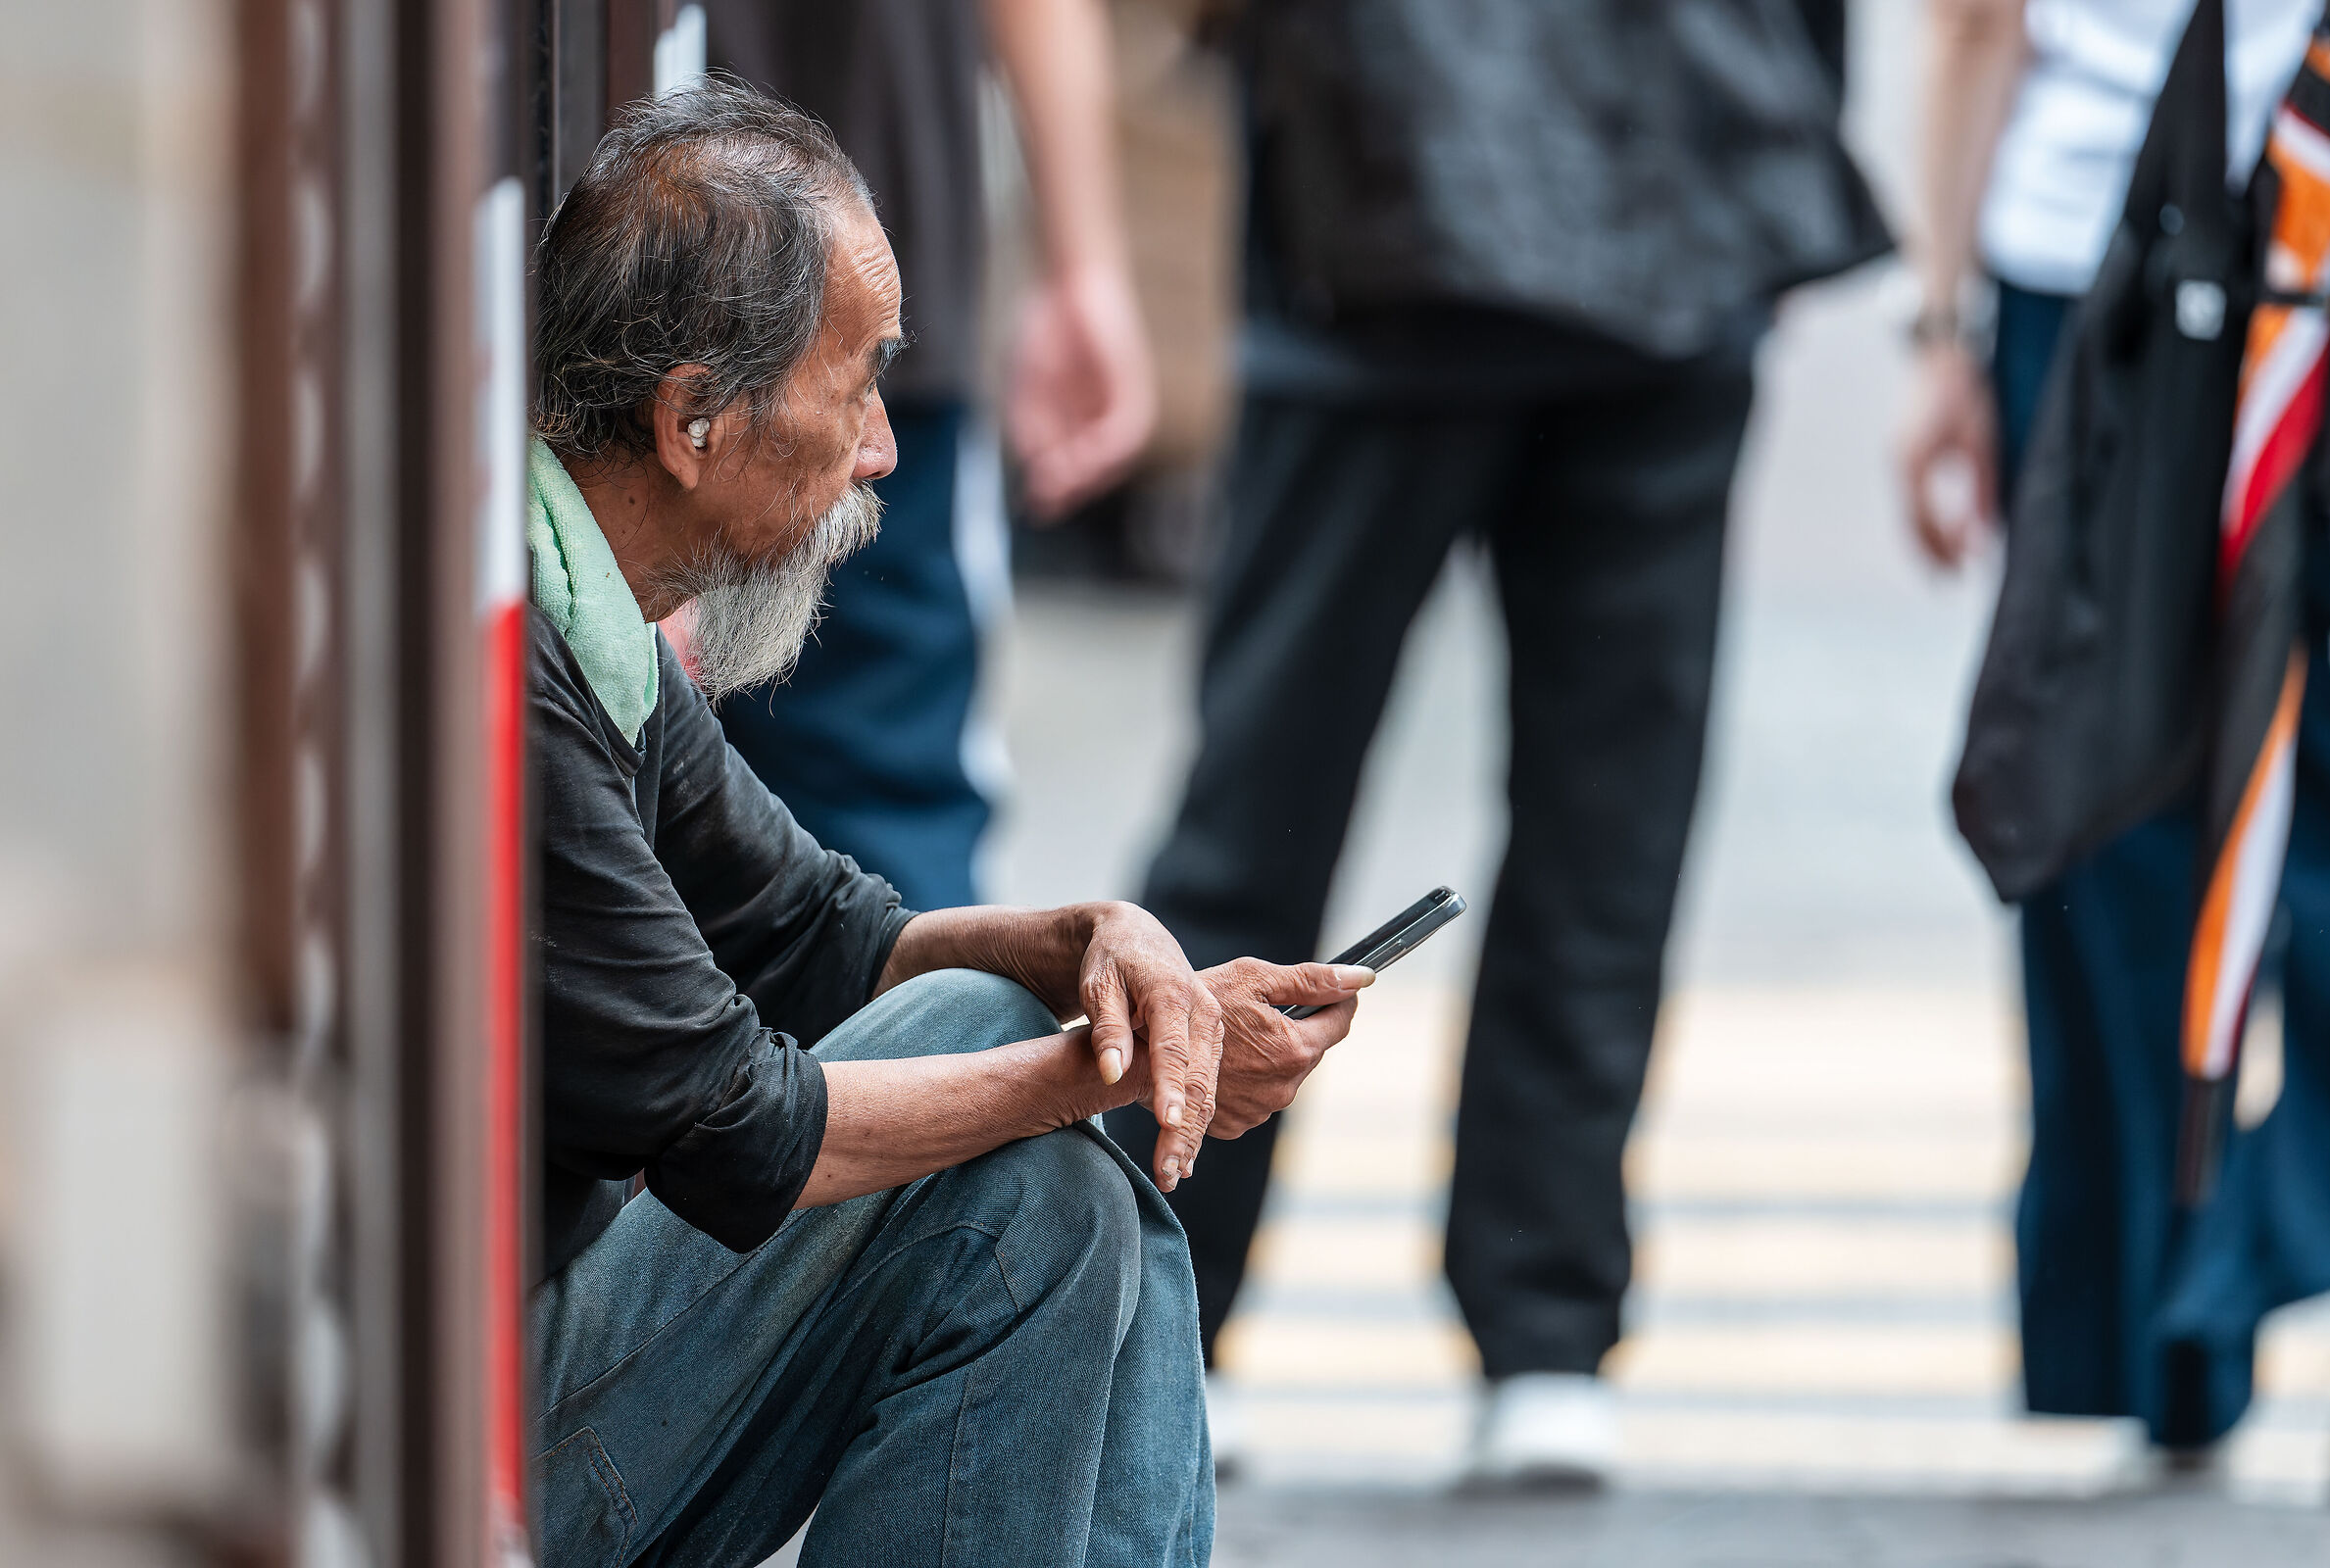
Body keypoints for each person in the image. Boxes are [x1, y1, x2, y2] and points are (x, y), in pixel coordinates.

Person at [526, 83, 1373, 1566]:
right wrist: (1111, 1065)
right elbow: (746, 1134)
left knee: (1039, 1132)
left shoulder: (586, 609)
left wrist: (1090, 947)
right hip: (510, 1442)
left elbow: (822, 935)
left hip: (564, 1355)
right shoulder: (521, 682)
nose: (882, 452)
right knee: (1030, 1189)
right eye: (852, 390)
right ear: (693, 420)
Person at [1108, 0, 1889, 1485]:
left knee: (1263, 805)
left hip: (1379, 192)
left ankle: (1177, 1302)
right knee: (1607, 815)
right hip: (1677, 186)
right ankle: (1543, 1326)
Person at [1904, 0, 2330, 1457]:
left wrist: (1940, 329)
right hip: (2284, 246)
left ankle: (2167, 1329)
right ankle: (2262, 1247)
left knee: (2119, 786)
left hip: (2103, 264)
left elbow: (1980, 27)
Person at [701, 0, 1155, 910]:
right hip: (621, 317)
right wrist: (1081, 262)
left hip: (848, 324)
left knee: (882, 882)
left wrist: (1082, 261)